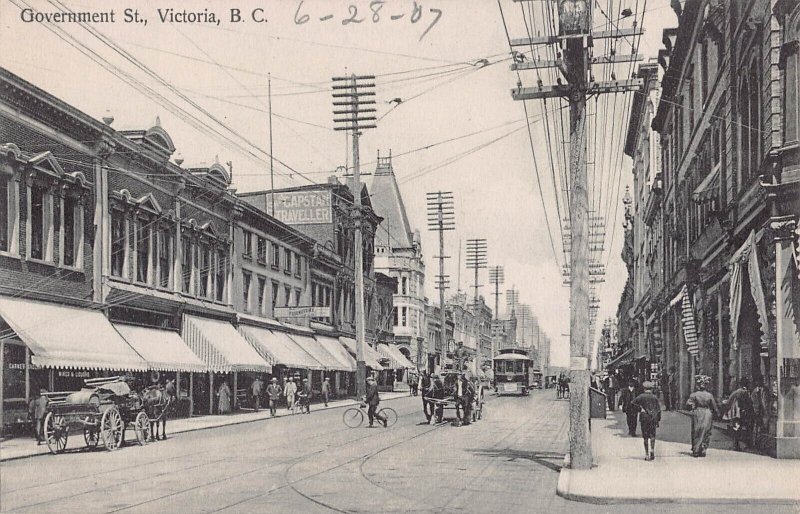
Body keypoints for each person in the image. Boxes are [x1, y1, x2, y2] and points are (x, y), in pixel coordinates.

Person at [686, 374, 719, 457]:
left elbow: (688, 404)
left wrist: (692, 407)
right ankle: (703, 449)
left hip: (697, 412)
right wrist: (717, 413)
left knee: (696, 430)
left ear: (698, 386)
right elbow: (714, 407)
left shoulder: (694, 395)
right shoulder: (709, 395)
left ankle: (696, 449)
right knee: (706, 431)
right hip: (707, 413)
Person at [632, 381, 662, 461]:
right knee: (652, 435)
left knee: (645, 437)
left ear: (644, 388)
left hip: (644, 418)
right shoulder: (654, 397)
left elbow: (632, 404)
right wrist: (658, 419)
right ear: (651, 389)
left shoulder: (641, 396)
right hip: (653, 418)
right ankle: (652, 449)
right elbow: (658, 410)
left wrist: (640, 409)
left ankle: (646, 454)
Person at [723, 377, 754, 451]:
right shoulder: (744, 391)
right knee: (739, 427)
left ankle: (736, 444)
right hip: (739, 412)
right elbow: (745, 402)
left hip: (735, 412)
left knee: (736, 427)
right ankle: (738, 445)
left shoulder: (737, 391)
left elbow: (729, 401)